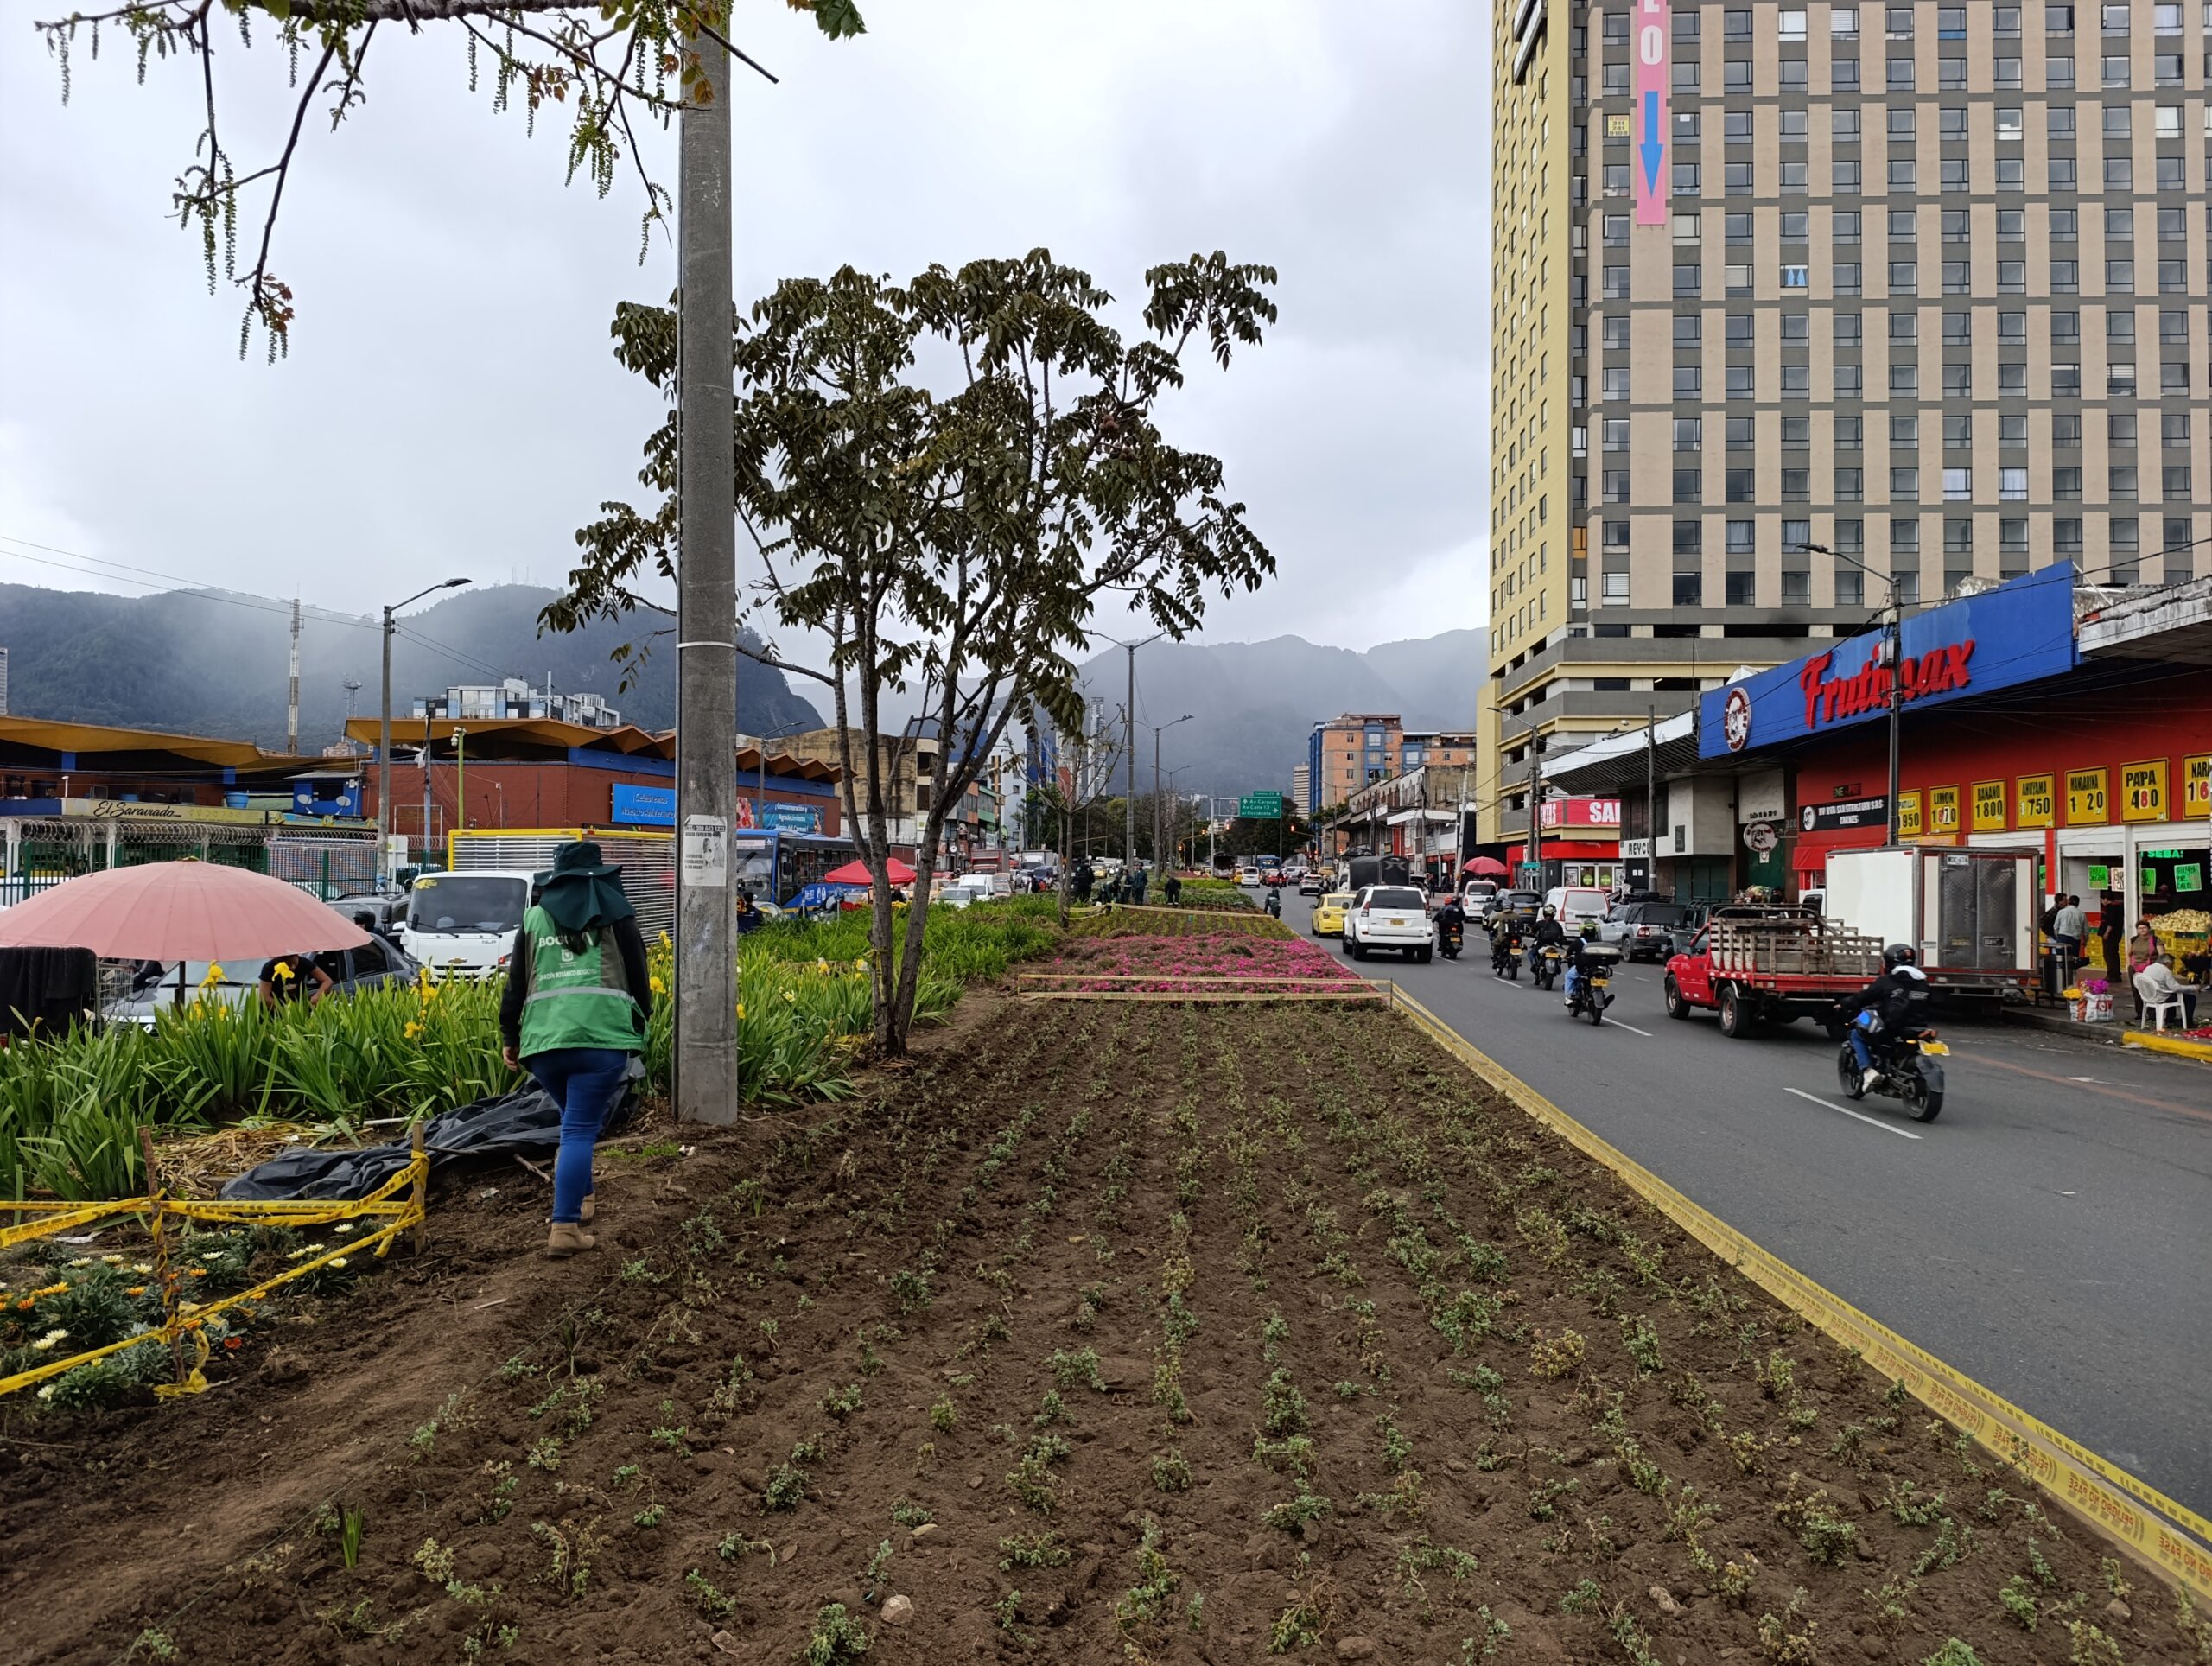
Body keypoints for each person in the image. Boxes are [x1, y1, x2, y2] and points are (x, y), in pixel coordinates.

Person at [499, 842, 651, 1258]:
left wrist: (509, 1037)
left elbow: (515, 986)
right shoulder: (618, 915)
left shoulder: (533, 918)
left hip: (544, 1044)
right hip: (600, 1041)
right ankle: (564, 1226)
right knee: (579, 1130)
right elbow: (639, 973)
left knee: (572, 1122)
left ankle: (584, 1202)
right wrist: (643, 1018)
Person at [1841, 944, 1933, 1082]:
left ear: (1890, 962)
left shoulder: (1886, 981)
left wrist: (1844, 1003)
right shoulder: (1923, 983)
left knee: (1856, 1034)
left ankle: (1868, 1071)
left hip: (1892, 1028)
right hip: (1919, 1028)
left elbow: (1863, 998)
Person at [2133, 953, 2200, 1028]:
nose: (2172, 967)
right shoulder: (2165, 971)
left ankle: (2170, 1019)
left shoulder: (2148, 968)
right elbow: (2175, 988)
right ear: (2168, 963)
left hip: (2148, 996)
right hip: (2160, 997)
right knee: (2191, 998)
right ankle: (2187, 1022)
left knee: (2171, 994)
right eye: (2172, 964)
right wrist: (2194, 988)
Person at [258, 951, 334, 1009]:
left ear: (297, 957)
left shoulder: (304, 962)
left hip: (299, 1005)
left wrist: (316, 997)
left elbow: (327, 981)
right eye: (288, 965)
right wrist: (284, 1011)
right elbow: (264, 996)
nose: (293, 967)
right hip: (275, 1009)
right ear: (278, 963)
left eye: (295, 963)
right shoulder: (269, 968)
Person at [2050, 893, 2088, 982]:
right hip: (2075, 940)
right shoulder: (2081, 914)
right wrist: (2085, 940)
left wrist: (2058, 936)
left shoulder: (2061, 912)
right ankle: (2071, 981)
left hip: (2062, 938)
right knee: (2072, 962)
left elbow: (2056, 926)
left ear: (2069, 902)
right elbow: (2085, 930)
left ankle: (2060, 981)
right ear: (2078, 904)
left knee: (2061, 961)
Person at [1526, 901, 1566, 974]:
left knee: (1530, 954)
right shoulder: (1557, 924)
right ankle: (1558, 965)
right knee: (1559, 956)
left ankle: (1534, 964)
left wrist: (1530, 932)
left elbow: (1531, 931)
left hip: (1541, 944)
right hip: (1554, 945)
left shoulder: (1540, 923)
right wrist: (1560, 943)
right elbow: (1562, 935)